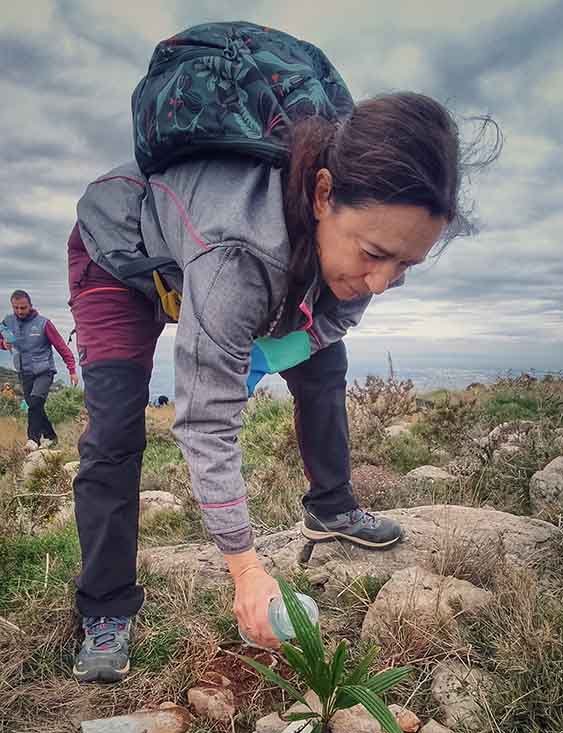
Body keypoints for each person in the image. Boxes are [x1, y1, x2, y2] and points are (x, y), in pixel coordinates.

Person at [68, 35, 498, 681]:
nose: (382, 281)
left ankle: (331, 505)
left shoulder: (351, 245)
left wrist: (261, 354)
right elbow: (206, 421)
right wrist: (246, 566)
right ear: (323, 195)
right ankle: (105, 605)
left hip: (217, 263)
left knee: (324, 364)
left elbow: (330, 320)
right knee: (114, 429)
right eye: (374, 253)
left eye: (405, 264)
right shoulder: (240, 256)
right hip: (119, 258)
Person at [0, 290, 78, 450]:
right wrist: (3, 344)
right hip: (24, 372)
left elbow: (61, 346)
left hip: (44, 371)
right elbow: (2, 340)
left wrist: (72, 369)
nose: (20, 311)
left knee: (35, 402)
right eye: (16, 308)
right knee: (34, 405)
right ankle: (50, 436)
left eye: (23, 307)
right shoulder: (7, 322)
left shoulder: (43, 323)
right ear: (12, 306)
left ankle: (33, 440)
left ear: (30, 305)